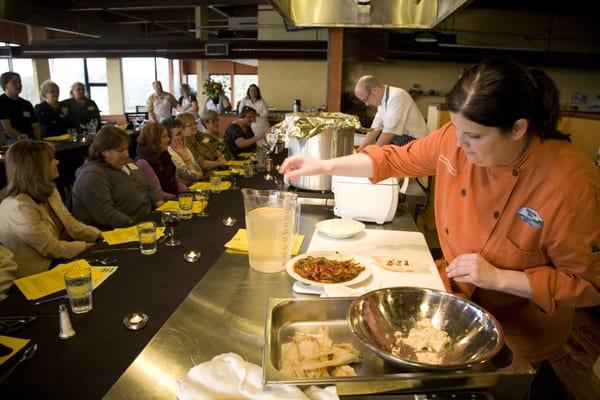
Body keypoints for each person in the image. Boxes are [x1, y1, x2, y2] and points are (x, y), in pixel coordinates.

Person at [280, 57, 600, 364]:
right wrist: (323, 164)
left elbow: (587, 284)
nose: (459, 144)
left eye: (473, 136)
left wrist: (499, 277)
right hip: (454, 303)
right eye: (457, 130)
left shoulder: (569, 183)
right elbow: (392, 159)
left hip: (519, 333)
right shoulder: (454, 140)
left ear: (518, 129)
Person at [0, 140, 101, 277]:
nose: (57, 162)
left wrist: (99, 236)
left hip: (57, 259)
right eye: (51, 159)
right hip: (36, 274)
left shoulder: (49, 191)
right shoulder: (19, 207)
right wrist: (88, 247)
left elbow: (70, 223)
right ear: (35, 168)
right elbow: (50, 248)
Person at [72, 126, 163, 229]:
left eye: (127, 148)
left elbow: (148, 186)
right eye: (121, 150)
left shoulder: (126, 162)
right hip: (121, 231)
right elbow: (105, 214)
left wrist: (161, 207)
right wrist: (138, 226)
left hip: (147, 220)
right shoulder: (92, 175)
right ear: (104, 151)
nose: (127, 154)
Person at [354, 75, 427, 151]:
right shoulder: (381, 101)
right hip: (402, 144)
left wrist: (372, 153)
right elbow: (375, 129)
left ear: (374, 91)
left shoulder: (397, 96)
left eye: (365, 100)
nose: (367, 104)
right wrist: (360, 149)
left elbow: (388, 133)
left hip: (416, 145)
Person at [135, 121, 187, 201]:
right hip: (162, 203)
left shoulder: (163, 153)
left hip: (174, 197)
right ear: (154, 140)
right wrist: (178, 198)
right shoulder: (143, 162)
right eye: (164, 136)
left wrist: (187, 193)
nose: (169, 139)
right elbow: (158, 193)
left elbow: (176, 179)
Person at [0, 72, 41, 142]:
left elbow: (35, 126)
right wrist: (27, 141)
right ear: (5, 85)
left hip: (31, 140)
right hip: (13, 141)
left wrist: (38, 141)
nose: (19, 85)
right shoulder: (1, 102)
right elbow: (7, 129)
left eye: (19, 82)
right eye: (14, 83)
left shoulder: (26, 103)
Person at [162, 117, 203, 183]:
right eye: (178, 134)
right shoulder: (169, 154)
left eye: (182, 132)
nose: (183, 135)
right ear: (169, 138)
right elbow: (195, 176)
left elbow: (200, 174)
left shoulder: (185, 149)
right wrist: (187, 159)